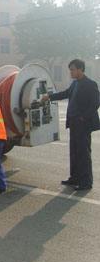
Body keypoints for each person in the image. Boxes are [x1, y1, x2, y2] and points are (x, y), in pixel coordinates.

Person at [42, 59, 100, 190]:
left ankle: (86, 182)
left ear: (80, 69)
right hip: (73, 123)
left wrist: (83, 118)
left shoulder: (90, 84)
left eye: (72, 69)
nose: (70, 72)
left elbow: (95, 103)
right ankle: (75, 178)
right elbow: (65, 94)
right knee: (74, 151)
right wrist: (49, 97)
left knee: (83, 153)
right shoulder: (75, 84)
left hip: (83, 124)